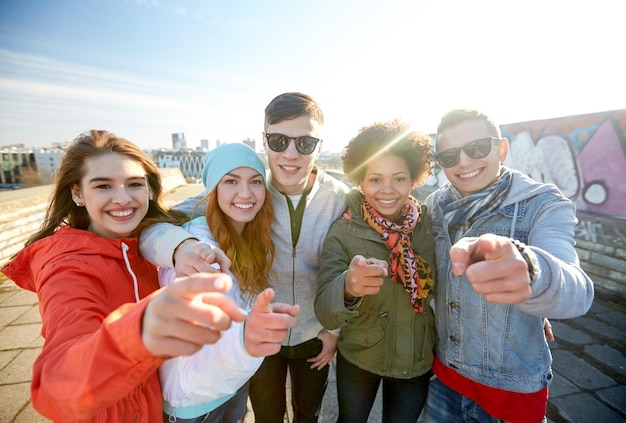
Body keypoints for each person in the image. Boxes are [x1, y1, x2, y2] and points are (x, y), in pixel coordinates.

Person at [0, 130, 249, 423]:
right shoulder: (66, 268)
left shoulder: (132, 244)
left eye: (134, 184)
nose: (123, 199)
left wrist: (182, 245)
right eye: (103, 186)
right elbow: (58, 386)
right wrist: (137, 333)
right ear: (77, 193)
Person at [139, 92, 350, 422]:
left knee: (308, 413)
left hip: (313, 333)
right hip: (257, 332)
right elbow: (157, 224)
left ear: (320, 146)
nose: (291, 155)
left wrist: (333, 330)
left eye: (305, 143)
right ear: (264, 141)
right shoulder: (249, 184)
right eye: (279, 141)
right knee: (267, 415)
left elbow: (348, 261)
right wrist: (180, 248)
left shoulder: (340, 197)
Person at [421, 109, 594, 423]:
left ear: (501, 149)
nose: (463, 162)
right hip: (444, 376)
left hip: (510, 388)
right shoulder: (434, 205)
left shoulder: (541, 204)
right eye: (449, 155)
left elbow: (576, 290)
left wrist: (532, 275)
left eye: (476, 149)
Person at [159, 142, 299, 422]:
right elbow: (190, 350)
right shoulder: (197, 253)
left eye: (255, 182)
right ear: (213, 190)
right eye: (231, 181)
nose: (245, 193)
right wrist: (247, 340)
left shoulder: (249, 239)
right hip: (194, 404)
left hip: (231, 386)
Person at [315, 120, 436, 422]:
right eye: (375, 179)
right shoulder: (343, 229)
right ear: (360, 181)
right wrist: (347, 288)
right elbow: (325, 311)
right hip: (360, 357)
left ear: (413, 180)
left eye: (399, 179)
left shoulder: (430, 225)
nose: (387, 190)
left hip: (416, 359)